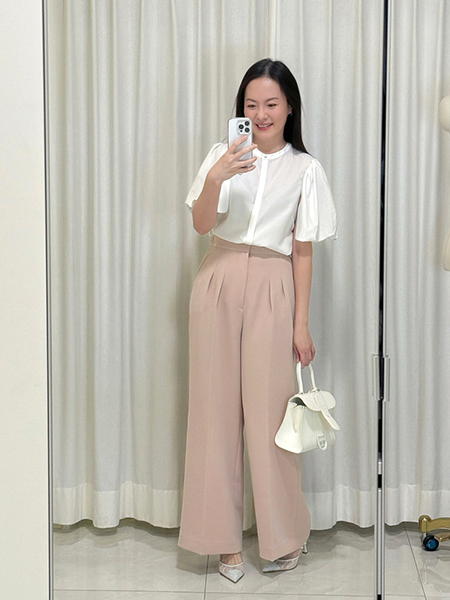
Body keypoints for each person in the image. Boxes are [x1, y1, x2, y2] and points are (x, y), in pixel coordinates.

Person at [178, 58, 337, 583]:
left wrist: (301, 323)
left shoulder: (306, 169)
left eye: (271, 103)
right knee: (214, 413)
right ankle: (220, 542)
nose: (262, 113)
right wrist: (217, 176)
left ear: (290, 107)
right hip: (218, 279)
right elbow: (202, 223)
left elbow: (303, 250)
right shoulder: (221, 156)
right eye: (251, 105)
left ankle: (283, 536)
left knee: (272, 419)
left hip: (273, 283)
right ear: (241, 110)